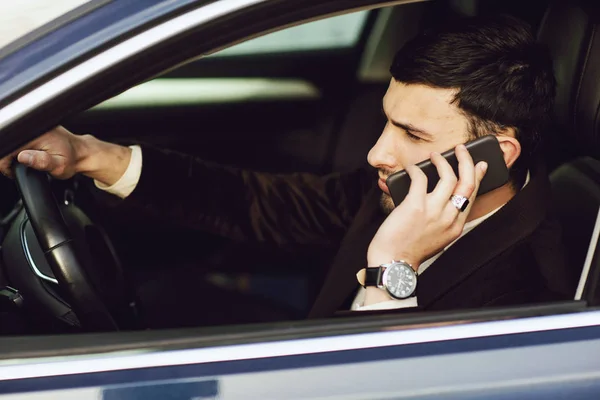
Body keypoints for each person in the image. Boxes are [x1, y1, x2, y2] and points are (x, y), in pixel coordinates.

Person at [0, 15, 574, 324]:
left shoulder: (532, 291)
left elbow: (375, 387)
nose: (379, 153)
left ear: (497, 156)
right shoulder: (399, 191)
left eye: (413, 135)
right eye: (387, 123)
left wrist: (394, 269)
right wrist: (91, 156)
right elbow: (260, 203)